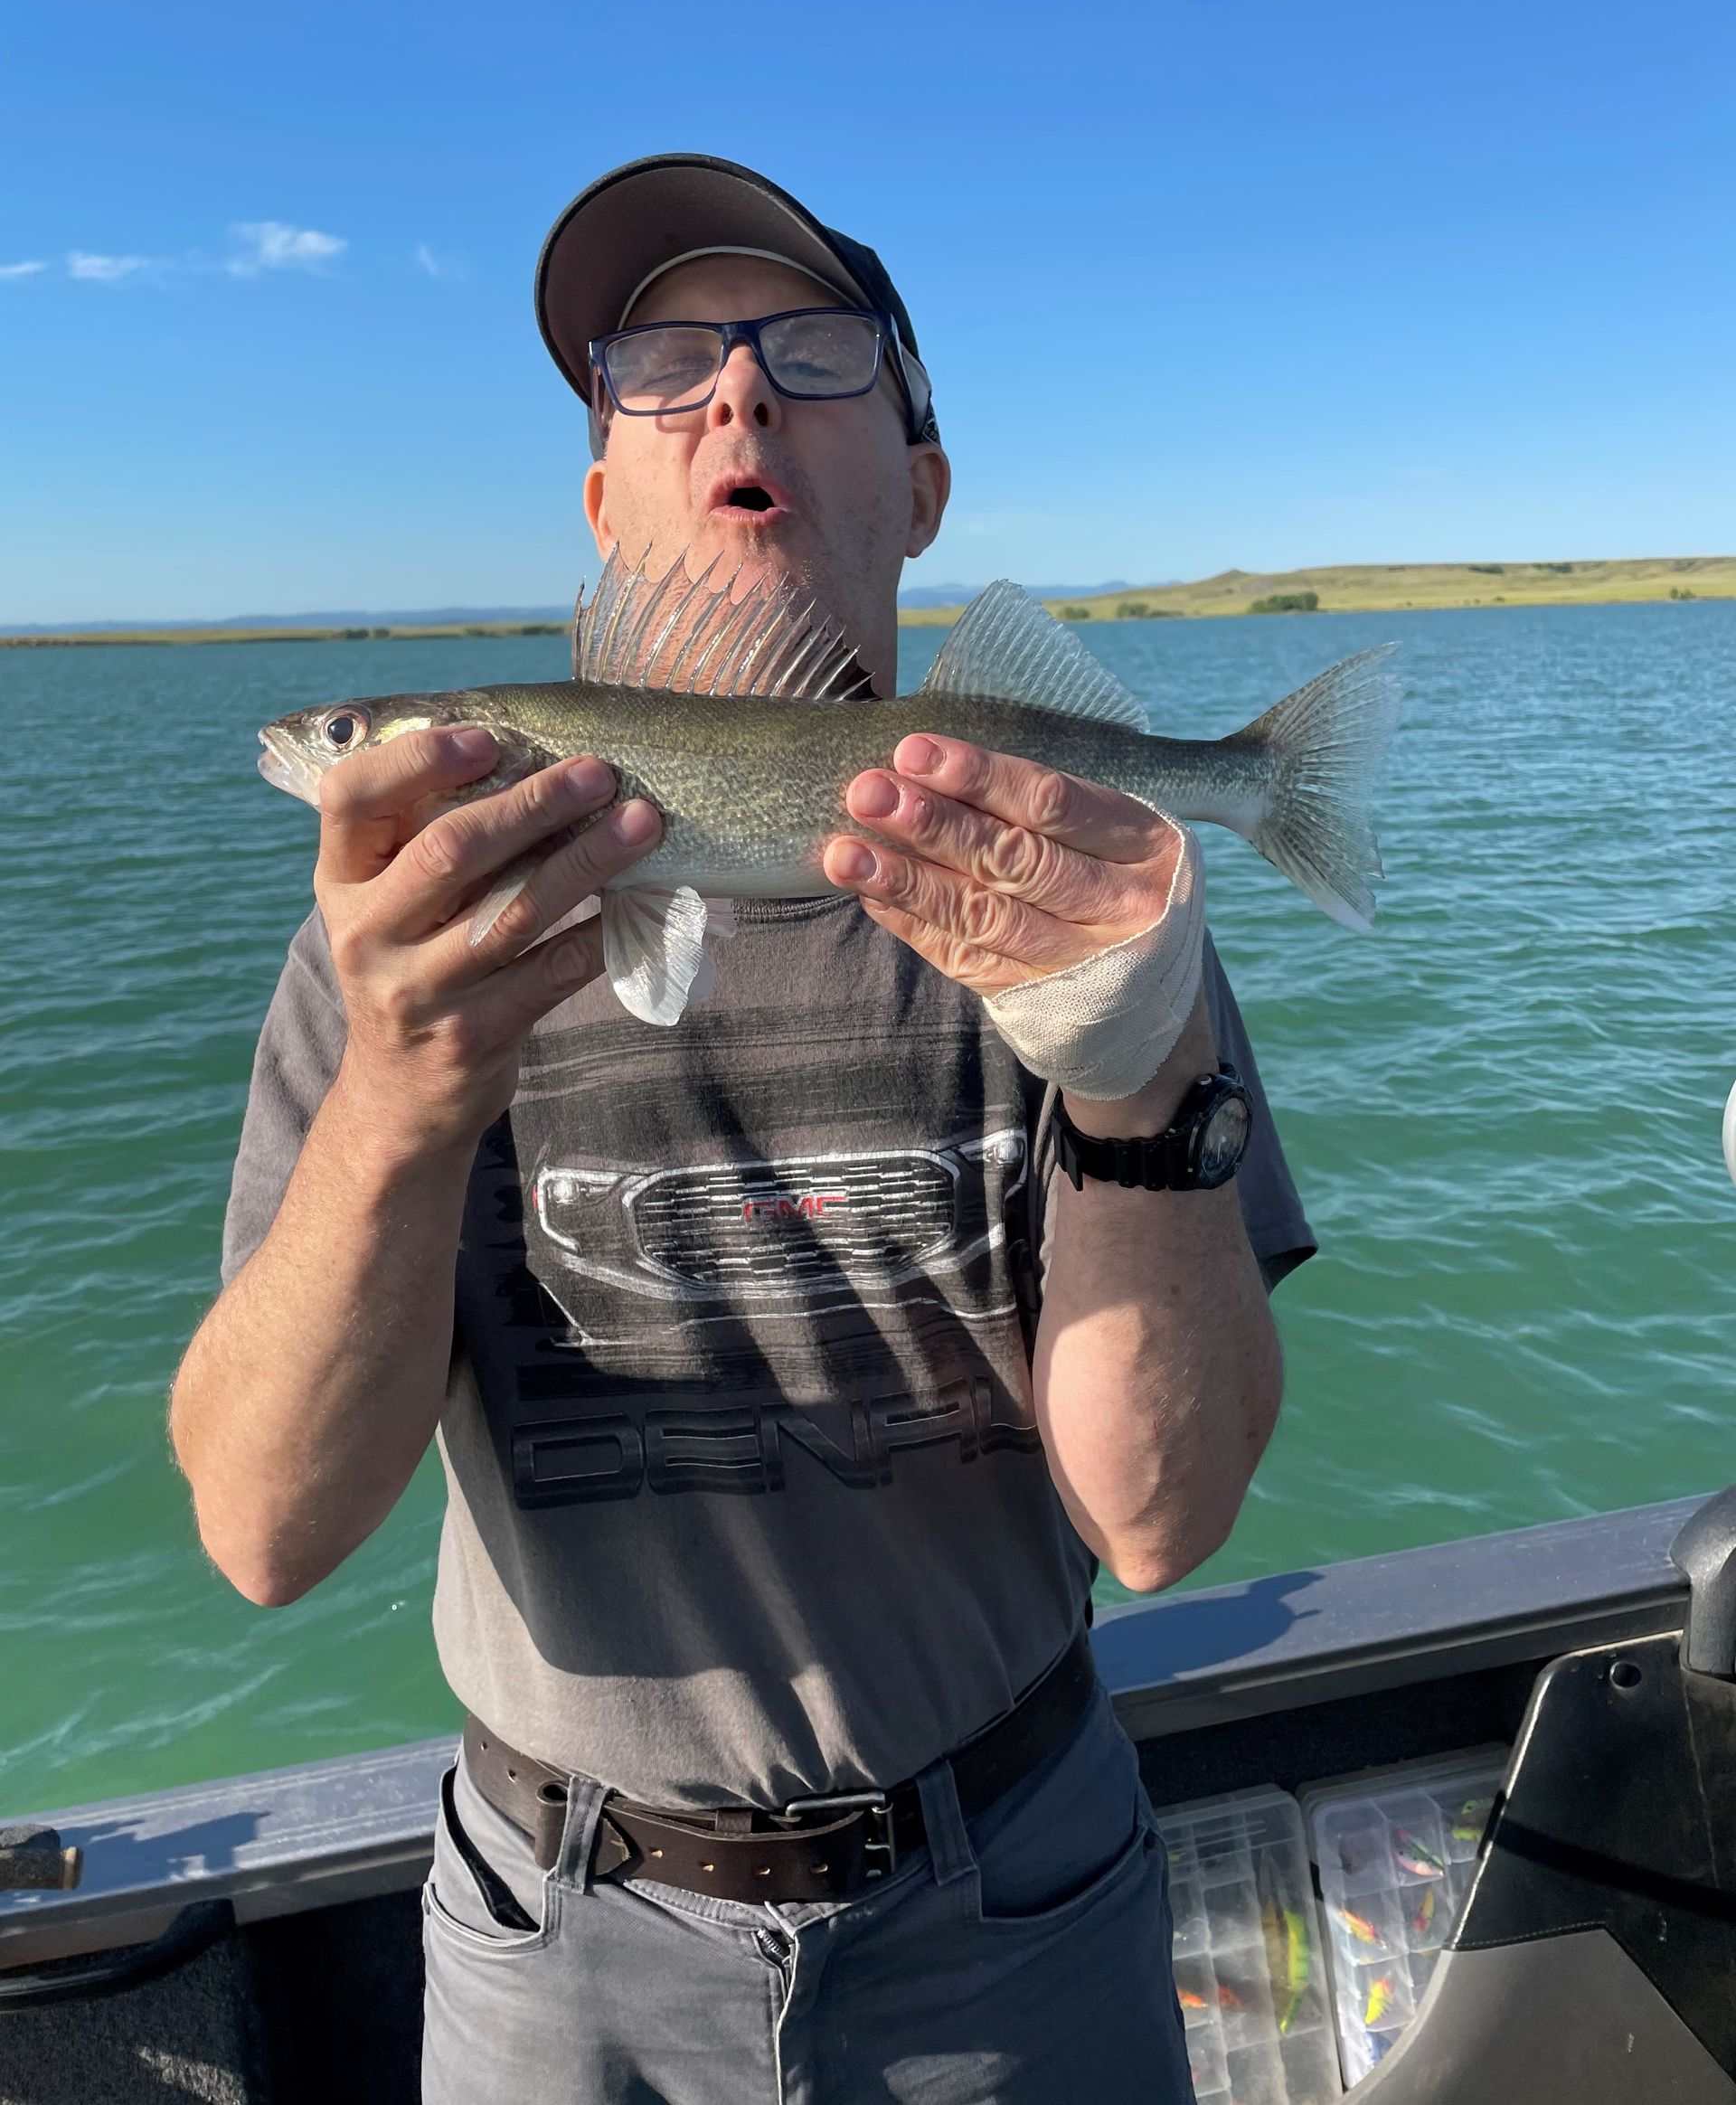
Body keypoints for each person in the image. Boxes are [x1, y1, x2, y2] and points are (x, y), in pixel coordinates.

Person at [171, 154, 1314, 2104]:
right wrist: (402, 1088)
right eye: (660, 363)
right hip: (558, 1942)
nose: (739, 394)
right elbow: (266, 1533)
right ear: (605, 494)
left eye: (818, 350)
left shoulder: (1082, 919)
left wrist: (1131, 1079)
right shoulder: (398, 958)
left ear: (925, 482)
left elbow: (1162, 1519)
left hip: (1020, 1900)